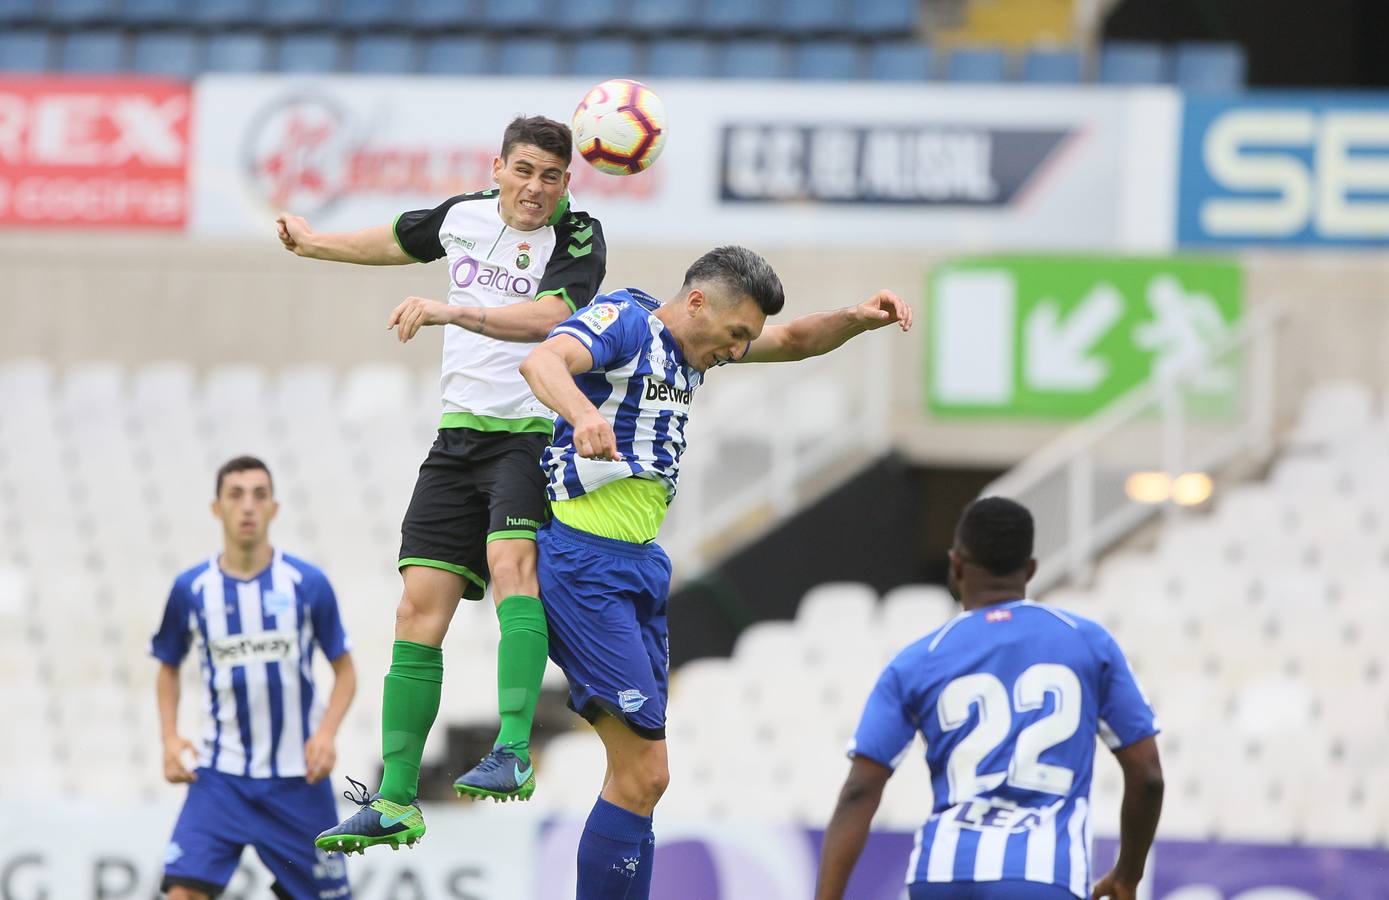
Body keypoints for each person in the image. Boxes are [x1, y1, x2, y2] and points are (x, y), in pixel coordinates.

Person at [516, 245, 914, 899]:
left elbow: (790, 340)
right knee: (643, 771)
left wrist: (855, 316)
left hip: (640, 566)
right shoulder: (627, 321)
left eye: (744, 341)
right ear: (696, 302)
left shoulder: (692, 352)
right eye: (735, 335)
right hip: (584, 561)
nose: (736, 351)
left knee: (646, 779)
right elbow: (543, 359)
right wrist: (585, 415)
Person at [277, 115, 607, 853]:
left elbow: (549, 318)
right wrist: (313, 243)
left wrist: (452, 309)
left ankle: (513, 751)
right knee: (414, 610)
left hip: (528, 432)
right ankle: (395, 799)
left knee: (509, 566)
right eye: (524, 170)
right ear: (497, 168)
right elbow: (397, 239)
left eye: (551, 176)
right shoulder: (462, 217)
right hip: (456, 439)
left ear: (565, 184)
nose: (535, 188)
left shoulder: (578, 237)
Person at [814, 497, 1165, 900]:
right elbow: (1148, 775)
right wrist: (1127, 873)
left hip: (943, 875)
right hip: (1043, 877)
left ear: (957, 564)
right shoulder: (1089, 643)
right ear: (1031, 570)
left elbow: (860, 789)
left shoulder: (918, 659)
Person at [152, 456, 357, 899]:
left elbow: (345, 671)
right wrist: (169, 738)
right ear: (216, 508)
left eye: (259, 495)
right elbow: (167, 666)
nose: (248, 506)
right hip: (221, 778)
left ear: (274, 508)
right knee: (183, 893)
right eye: (236, 495)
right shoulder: (192, 589)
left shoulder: (306, 583)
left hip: (297, 781)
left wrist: (326, 733)